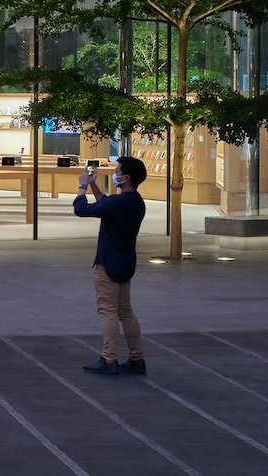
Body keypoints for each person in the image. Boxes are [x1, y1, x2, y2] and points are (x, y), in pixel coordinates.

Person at [72, 154, 150, 376]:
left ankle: (109, 358)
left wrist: (82, 186)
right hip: (126, 262)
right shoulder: (136, 202)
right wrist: (94, 184)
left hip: (107, 262)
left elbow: (81, 209)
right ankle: (136, 358)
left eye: (117, 172)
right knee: (125, 310)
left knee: (108, 311)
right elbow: (105, 204)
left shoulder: (117, 203)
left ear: (125, 178)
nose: (114, 175)